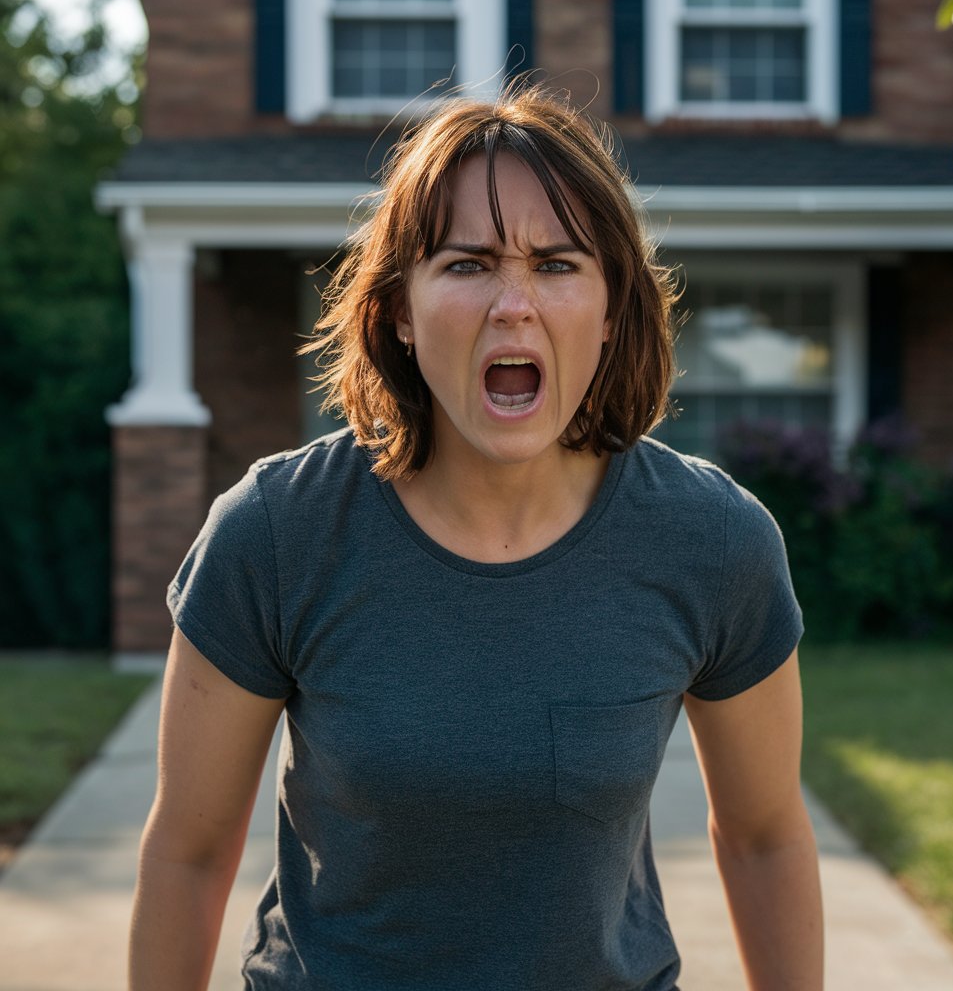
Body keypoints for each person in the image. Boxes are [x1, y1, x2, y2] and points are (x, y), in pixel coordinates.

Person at [129, 82, 823, 991]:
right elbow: (187, 850)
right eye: (467, 264)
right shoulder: (275, 533)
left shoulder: (713, 542)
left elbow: (767, 837)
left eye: (557, 263)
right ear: (401, 314)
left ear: (611, 312)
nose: (513, 303)